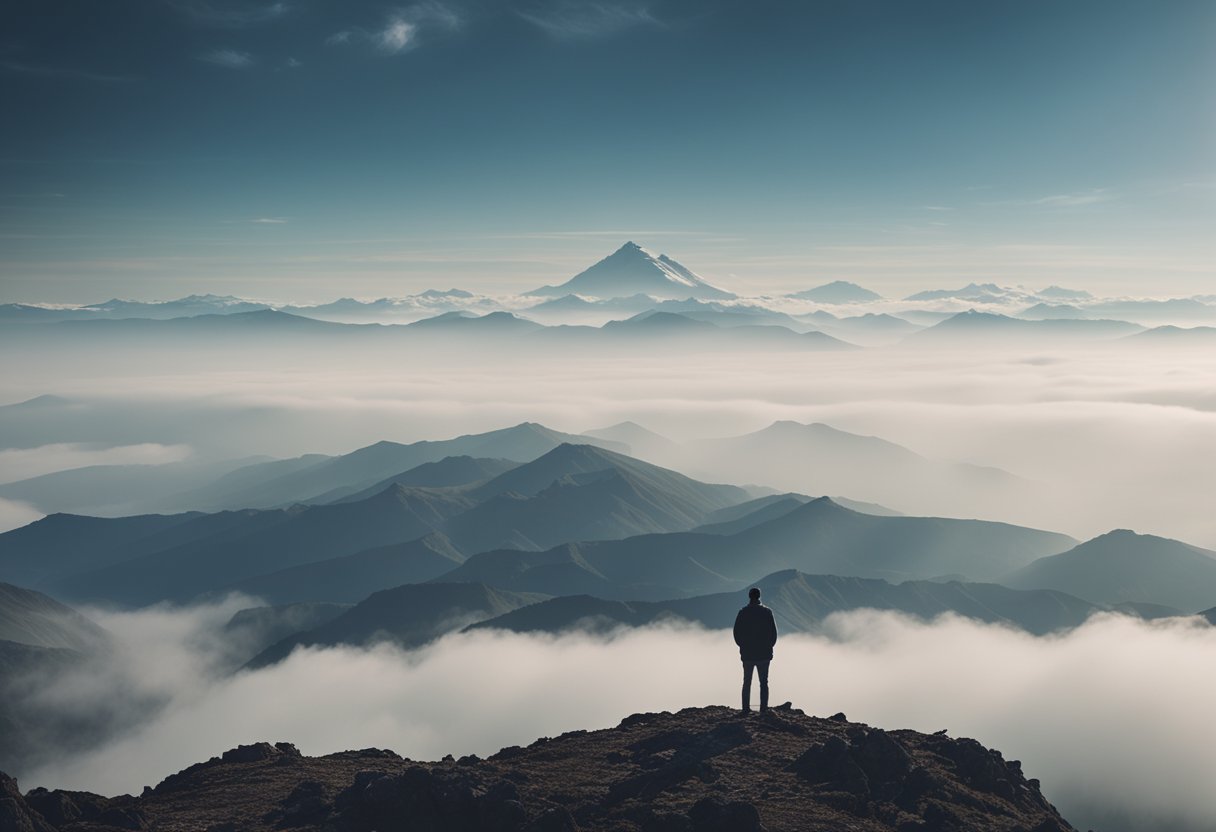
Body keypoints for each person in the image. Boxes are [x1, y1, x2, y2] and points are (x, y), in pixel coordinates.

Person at [732, 586, 777, 713]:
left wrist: (742, 646)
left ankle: (745, 709)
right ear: (759, 596)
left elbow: (736, 633)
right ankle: (763, 709)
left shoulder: (743, 612)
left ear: (749, 596)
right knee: (764, 682)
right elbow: (773, 633)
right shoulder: (767, 612)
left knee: (747, 682)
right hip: (764, 654)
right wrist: (769, 647)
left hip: (748, 654)